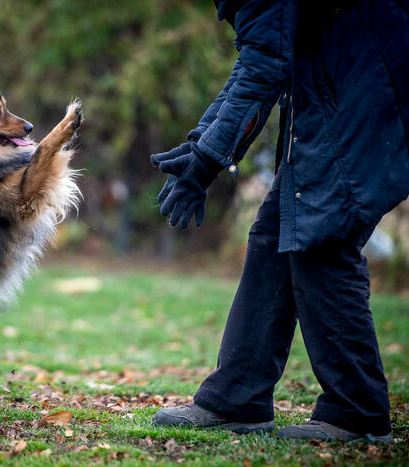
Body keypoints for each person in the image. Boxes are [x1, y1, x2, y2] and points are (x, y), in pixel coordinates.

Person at [150, 0, 409, 442]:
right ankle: (237, 399)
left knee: (321, 237)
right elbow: (262, 57)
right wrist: (202, 144)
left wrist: (209, 160)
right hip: (341, 79)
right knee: (276, 232)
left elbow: (265, 65)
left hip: (372, 84)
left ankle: (357, 412)